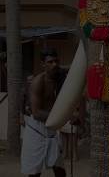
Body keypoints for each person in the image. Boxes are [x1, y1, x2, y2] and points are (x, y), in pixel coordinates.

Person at [21, 48, 66, 177]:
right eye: (50, 62)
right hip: (36, 128)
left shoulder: (60, 77)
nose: (54, 64)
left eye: (56, 61)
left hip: (51, 126)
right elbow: (36, 113)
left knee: (59, 168)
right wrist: (62, 118)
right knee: (34, 171)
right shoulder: (38, 82)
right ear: (43, 64)